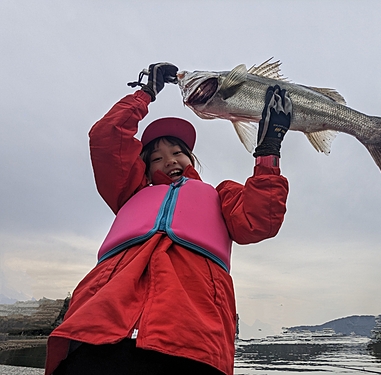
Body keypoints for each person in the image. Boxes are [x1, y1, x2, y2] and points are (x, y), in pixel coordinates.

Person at [45, 63, 291, 375]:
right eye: (156, 158)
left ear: (191, 159)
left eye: (178, 152)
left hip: (192, 333)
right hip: (99, 327)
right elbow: (107, 136)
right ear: (144, 170)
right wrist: (145, 94)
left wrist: (269, 150)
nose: (169, 160)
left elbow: (260, 219)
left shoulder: (221, 194)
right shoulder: (129, 193)